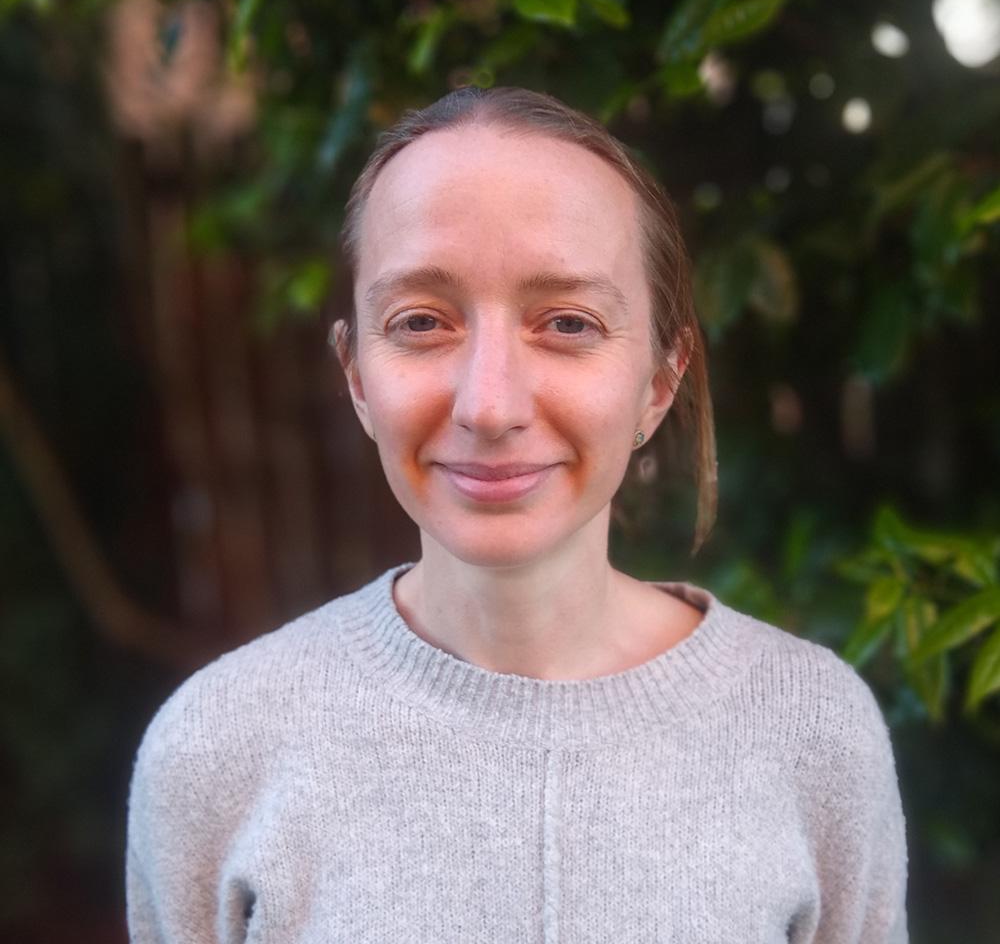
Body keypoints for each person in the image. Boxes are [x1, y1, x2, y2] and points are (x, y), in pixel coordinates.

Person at [125, 86, 909, 943]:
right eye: (420, 322)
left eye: (568, 323)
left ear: (659, 381)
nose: (489, 406)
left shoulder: (812, 732)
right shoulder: (216, 749)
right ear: (357, 378)